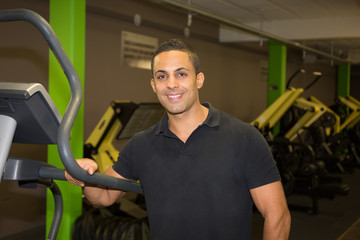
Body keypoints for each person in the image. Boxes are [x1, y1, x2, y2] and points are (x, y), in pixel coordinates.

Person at [66, 39, 291, 240]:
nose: (171, 83)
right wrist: (85, 175)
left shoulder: (244, 137)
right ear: (154, 85)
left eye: (181, 74)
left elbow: (277, 215)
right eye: (162, 76)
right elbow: (103, 197)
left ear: (199, 80)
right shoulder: (141, 145)